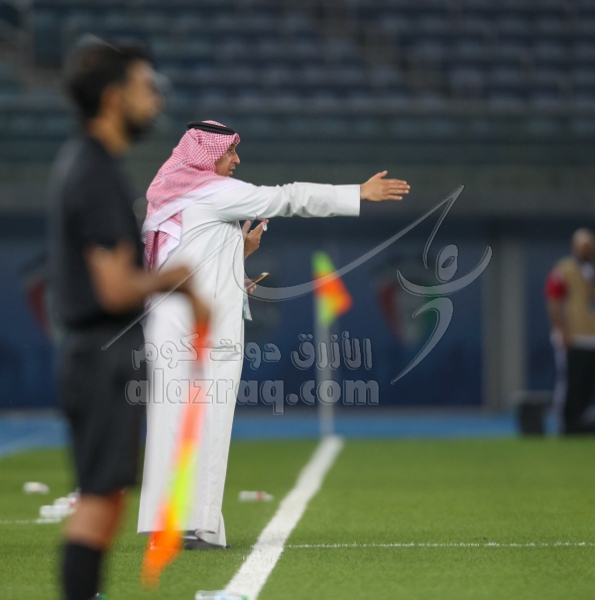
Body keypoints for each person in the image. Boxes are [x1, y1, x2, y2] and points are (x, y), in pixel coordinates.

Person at [137, 120, 410, 548]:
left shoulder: (174, 196)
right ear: (208, 154)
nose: (237, 160)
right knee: (204, 425)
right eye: (230, 152)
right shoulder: (212, 193)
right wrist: (357, 193)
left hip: (175, 327)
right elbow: (288, 197)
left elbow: (185, 266)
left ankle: (178, 525)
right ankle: (192, 527)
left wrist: (240, 257)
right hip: (198, 333)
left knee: (176, 424)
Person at [47, 42, 207, 600]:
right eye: (145, 86)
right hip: (100, 354)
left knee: (105, 501)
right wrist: (179, 279)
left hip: (98, 352)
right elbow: (114, 287)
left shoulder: (90, 164)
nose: (155, 98)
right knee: (96, 504)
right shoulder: (94, 171)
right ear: (114, 98)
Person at [545, 228, 595, 434]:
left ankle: (581, 422)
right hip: (573, 336)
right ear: (574, 247)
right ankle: (565, 424)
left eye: (590, 245)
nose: (587, 249)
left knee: (588, 384)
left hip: (592, 336)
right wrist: (561, 329)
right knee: (572, 383)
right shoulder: (563, 270)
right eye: (583, 245)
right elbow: (554, 301)